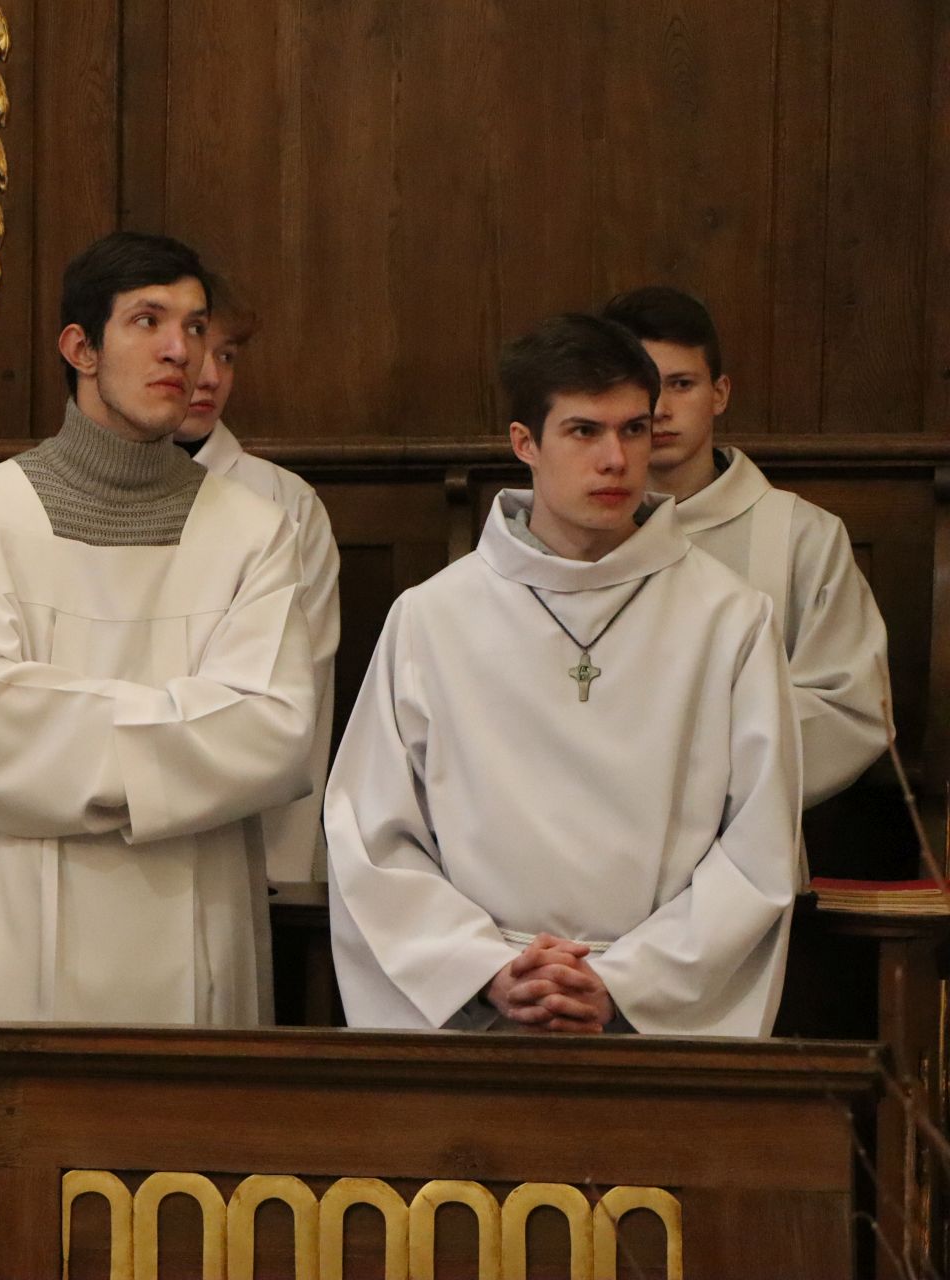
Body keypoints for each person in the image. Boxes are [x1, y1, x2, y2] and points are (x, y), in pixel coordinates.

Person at [324, 314, 799, 1036]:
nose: (615, 459)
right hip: (483, 1007)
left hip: (656, 1011)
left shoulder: (730, 619)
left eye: (634, 430)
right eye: (584, 431)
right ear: (525, 443)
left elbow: (757, 846)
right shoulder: (432, 617)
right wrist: (486, 970)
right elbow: (373, 836)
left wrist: (624, 983)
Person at [0, 232, 320, 1026]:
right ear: (81, 348)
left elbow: (274, 733)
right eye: (147, 321)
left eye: (195, 326)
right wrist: (186, 730)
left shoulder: (256, 531)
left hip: (197, 930)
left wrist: (59, 735)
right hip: (17, 934)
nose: (182, 351)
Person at [601, 286, 890, 811]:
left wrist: (691, 770)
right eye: (642, 388)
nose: (660, 409)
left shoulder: (804, 535)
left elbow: (852, 710)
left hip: (745, 826)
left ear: (719, 393)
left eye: (681, 384)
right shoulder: (575, 535)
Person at [173, 280, 340, 883]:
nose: (211, 377)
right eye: (199, 348)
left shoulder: (285, 504)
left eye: (227, 356)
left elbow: (298, 687)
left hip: (252, 835)